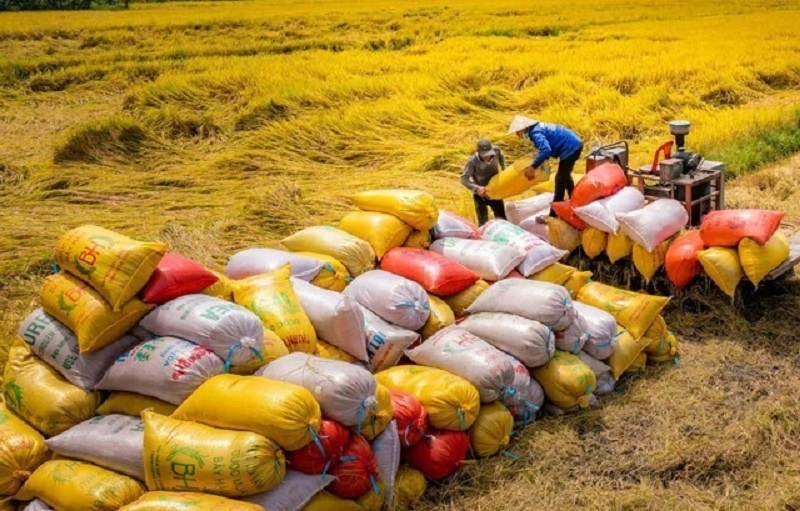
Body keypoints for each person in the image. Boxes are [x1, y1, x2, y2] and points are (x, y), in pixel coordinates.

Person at [507, 115, 583, 222]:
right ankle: (575, 201)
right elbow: (546, 149)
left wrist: (533, 167)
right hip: (574, 143)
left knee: (560, 181)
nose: (517, 135)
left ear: (523, 128)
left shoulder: (535, 133)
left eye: (517, 132)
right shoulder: (537, 128)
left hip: (571, 148)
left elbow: (546, 150)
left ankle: (553, 215)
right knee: (565, 176)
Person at [460, 138, 507, 226]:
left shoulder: (496, 151)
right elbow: (463, 179)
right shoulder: (472, 162)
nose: (487, 157)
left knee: (502, 219)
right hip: (480, 195)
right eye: (484, 155)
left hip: (495, 191)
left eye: (488, 154)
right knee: (483, 222)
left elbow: (501, 156)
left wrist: (504, 168)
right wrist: (476, 188)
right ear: (478, 152)